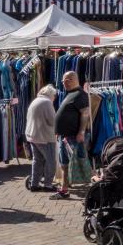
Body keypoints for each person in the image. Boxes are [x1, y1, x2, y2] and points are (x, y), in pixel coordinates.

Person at [52, 71, 91, 200]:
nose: (64, 83)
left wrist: (81, 132)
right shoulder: (70, 94)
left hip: (74, 136)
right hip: (65, 136)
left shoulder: (80, 94)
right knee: (64, 164)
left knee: (80, 164)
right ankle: (64, 189)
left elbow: (85, 113)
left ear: (73, 79)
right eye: (63, 81)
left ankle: (92, 190)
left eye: (66, 80)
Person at [26, 84, 58, 192]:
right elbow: (53, 121)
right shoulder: (47, 103)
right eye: (54, 96)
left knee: (37, 160)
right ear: (51, 94)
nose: (54, 98)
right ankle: (48, 185)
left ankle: (34, 184)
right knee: (51, 161)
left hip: (32, 136)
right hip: (45, 137)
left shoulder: (35, 101)